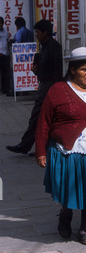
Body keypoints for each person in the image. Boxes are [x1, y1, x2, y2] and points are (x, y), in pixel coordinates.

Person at [34, 47, 86, 245]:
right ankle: (66, 213)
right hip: (68, 150)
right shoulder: (58, 91)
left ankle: (85, 229)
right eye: (84, 70)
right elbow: (43, 122)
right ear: (72, 70)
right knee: (68, 190)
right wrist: (41, 151)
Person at [6, 20, 63, 155]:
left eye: (38, 32)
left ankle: (27, 146)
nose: (36, 35)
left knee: (38, 117)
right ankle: (36, 147)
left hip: (49, 88)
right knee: (40, 118)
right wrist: (36, 69)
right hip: (44, 86)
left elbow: (56, 72)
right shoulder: (44, 47)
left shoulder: (54, 48)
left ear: (45, 32)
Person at [0, 17, 10, 95]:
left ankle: (5, 89)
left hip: (5, 55)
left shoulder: (5, 31)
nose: (0, 25)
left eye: (1, 23)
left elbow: (7, 41)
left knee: (5, 74)